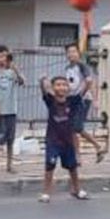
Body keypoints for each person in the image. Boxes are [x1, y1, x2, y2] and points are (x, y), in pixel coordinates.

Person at [38, 75, 89, 203]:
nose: (61, 87)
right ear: (53, 87)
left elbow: (82, 92)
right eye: (58, 85)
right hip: (53, 140)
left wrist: (87, 83)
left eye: (64, 85)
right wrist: (42, 82)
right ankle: (46, 192)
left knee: (72, 167)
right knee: (50, 166)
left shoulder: (72, 101)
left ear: (68, 87)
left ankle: (77, 189)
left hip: (68, 141)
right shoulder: (50, 100)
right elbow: (44, 91)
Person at [0, 45, 25, 175]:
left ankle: (9, 164)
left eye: (5, 56)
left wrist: (16, 70)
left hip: (11, 110)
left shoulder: (11, 73)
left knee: (10, 138)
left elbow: (22, 81)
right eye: (1, 56)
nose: (4, 59)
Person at [64, 43, 105, 164]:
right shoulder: (67, 69)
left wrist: (89, 98)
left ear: (78, 53)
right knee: (71, 129)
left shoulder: (82, 66)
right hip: (71, 99)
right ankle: (78, 156)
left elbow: (89, 81)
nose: (71, 54)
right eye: (69, 52)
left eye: (74, 51)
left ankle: (98, 146)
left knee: (77, 127)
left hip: (82, 99)